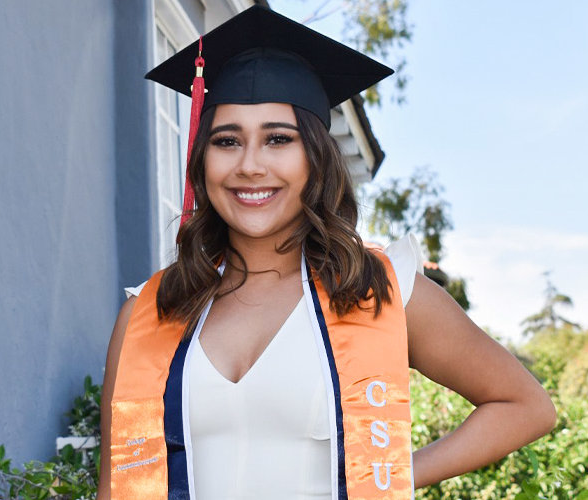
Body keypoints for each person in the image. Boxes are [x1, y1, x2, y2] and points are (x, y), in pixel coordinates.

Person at [97, 6, 556, 500]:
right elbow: (115, 486)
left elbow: (523, 405)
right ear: (203, 159)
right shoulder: (150, 311)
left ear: (315, 157)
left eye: (278, 139)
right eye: (226, 141)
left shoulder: (377, 290)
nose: (250, 165)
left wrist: (390, 474)